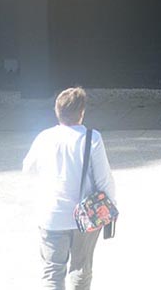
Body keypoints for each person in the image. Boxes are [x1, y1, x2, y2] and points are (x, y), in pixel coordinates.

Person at [22, 87, 116, 290]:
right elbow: (104, 179)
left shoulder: (44, 137)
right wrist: (112, 208)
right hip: (86, 216)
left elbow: (28, 169)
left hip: (51, 214)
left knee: (52, 272)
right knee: (81, 270)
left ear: (57, 111)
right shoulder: (92, 138)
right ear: (82, 112)